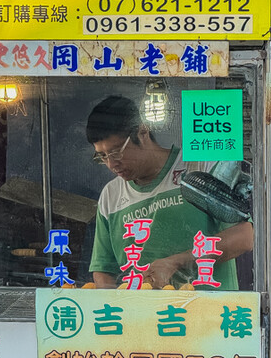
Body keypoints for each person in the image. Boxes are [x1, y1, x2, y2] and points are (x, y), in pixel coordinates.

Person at [86, 95, 253, 289]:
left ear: (142, 131)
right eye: (102, 156)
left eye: (116, 153)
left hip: (211, 313)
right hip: (143, 316)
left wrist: (177, 262)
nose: (111, 164)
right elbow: (104, 270)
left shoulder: (198, 168)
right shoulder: (110, 196)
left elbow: (245, 237)